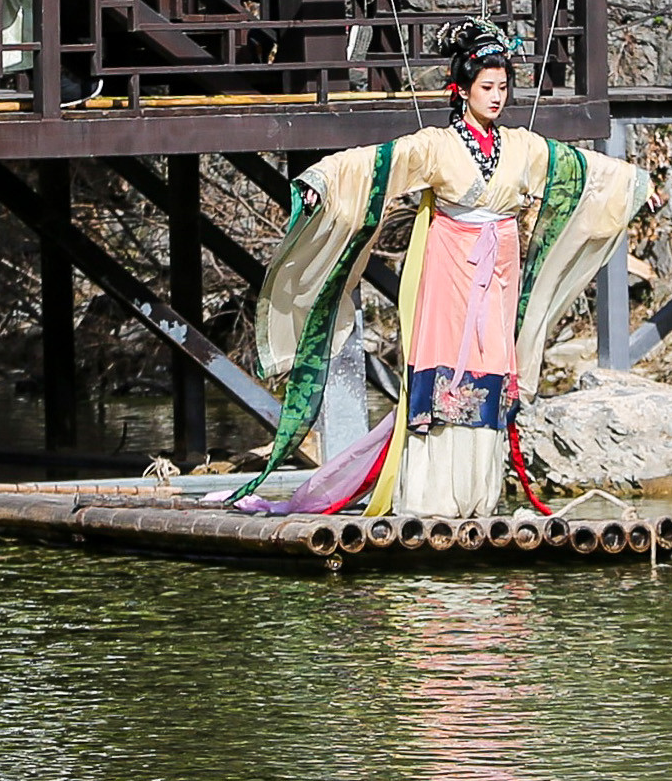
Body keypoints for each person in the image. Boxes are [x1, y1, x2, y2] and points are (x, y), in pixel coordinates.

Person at [241, 26, 645, 522]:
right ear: (462, 90)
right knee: (445, 366)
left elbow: (577, 169)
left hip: (498, 268)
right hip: (450, 266)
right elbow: (375, 165)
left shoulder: (521, 147)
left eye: (502, 88)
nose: (497, 98)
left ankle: (478, 496)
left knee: (493, 365)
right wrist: (323, 181)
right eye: (487, 88)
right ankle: (432, 497)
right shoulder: (437, 146)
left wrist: (631, 185)